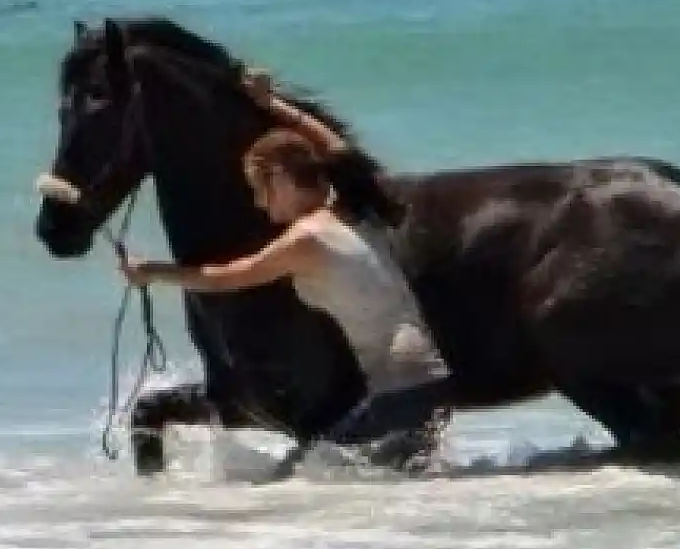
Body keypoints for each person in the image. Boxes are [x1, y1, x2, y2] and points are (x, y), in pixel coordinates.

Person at [117, 110, 454, 472]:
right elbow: (337, 148)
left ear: (279, 177)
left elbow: (225, 278)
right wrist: (275, 104)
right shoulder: (354, 213)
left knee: (297, 482)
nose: (261, 204)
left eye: (259, 190)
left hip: (399, 398)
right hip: (433, 389)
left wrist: (151, 271)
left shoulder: (307, 239)